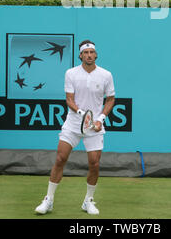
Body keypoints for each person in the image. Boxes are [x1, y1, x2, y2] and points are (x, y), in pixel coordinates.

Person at [35, 39, 115, 215]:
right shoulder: (71, 73)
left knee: (94, 164)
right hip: (73, 123)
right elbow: (69, 99)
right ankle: (48, 200)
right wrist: (82, 115)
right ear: (80, 55)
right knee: (60, 159)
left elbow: (110, 99)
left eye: (91, 52)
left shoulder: (106, 75)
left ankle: (88, 201)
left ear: (96, 54)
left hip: (94, 127)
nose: (88, 55)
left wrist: (100, 118)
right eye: (85, 53)